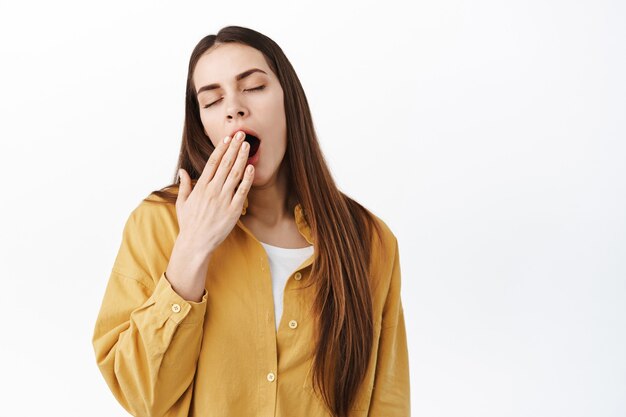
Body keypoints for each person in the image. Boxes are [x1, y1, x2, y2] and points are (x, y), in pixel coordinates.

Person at [92, 25, 410, 417]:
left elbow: (388, 401)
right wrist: (192, 247)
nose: (234, 108)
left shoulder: (370, 239)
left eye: (254, 87)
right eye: (211, 101)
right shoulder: (157, 224)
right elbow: (142, 396)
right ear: (202, 125)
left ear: (288, 101)